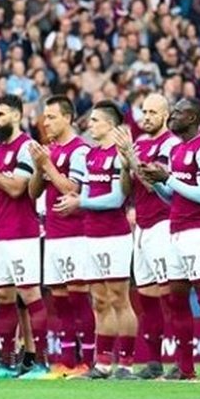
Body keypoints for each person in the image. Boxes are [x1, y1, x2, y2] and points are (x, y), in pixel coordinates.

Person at [141, 97, 200, 381]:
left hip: (198, 232)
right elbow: (173, 195)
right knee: (177, 300)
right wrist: (156, 181)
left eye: (178, 112)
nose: (173, 115)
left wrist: (167, 177)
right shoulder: (178, 150)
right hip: (176, 230)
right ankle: (186, 368)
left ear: (192, 118)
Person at [0, 95, 49, 379]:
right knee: (2, 295)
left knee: (29, 294)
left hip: (22, 232)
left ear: (17, 115)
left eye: (0, 114)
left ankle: (40, 362)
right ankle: (6, 362)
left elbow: (17, 189)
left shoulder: (26, 147)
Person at [55, 101, 135, 379]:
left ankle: (125, 363)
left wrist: (80, 201)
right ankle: (102, 363)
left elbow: (116, 199)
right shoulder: (90, 156)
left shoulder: (118, 155)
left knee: (119, 298)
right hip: (91, 234)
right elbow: (87, 195)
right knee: (99, 300)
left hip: (114, 235)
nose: (90, 124)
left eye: (96, 120)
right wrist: (82, 202)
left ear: (111, 125)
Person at [29, 95, 92, 378]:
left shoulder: (79, 150)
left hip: (75, 233)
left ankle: (88, 361)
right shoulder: (50, 150)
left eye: (52, 117)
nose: (46, 122)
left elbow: (72, 190)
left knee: (79, 298)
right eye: (45, 117)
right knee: (60, 300)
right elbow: (33, 193)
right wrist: (38, 165)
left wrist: (49, 166)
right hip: (53, 233)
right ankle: (66, 361)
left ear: (67, 118)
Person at [122, 93, 179, 379]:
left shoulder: (171, 145)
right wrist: (125, 164)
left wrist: (132, 161)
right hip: (141, 227)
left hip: (162, 223)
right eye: (143, 112)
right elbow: (131, 187)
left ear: (165, 116)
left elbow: (158, 182)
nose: (146, 117)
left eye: (152, 112)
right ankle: (155, 361)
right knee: (146, 296)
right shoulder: (142, 144)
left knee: (170, 294)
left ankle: (182, 360)